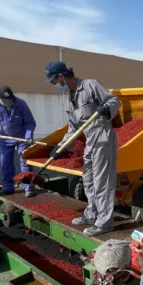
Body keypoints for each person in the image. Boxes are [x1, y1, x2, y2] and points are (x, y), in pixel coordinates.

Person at [44, 61, 121, 237]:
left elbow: (114, 100)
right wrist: (61, 147)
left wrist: (107, 109)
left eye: (54, 81)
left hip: (102, 137)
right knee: (88, 179)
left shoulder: (90, 85)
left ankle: (104, 222)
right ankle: (92, 214)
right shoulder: (69, 100)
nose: (55, 85)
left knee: (102, 182)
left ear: (61, 77)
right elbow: (73, 129)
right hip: (89, 140)